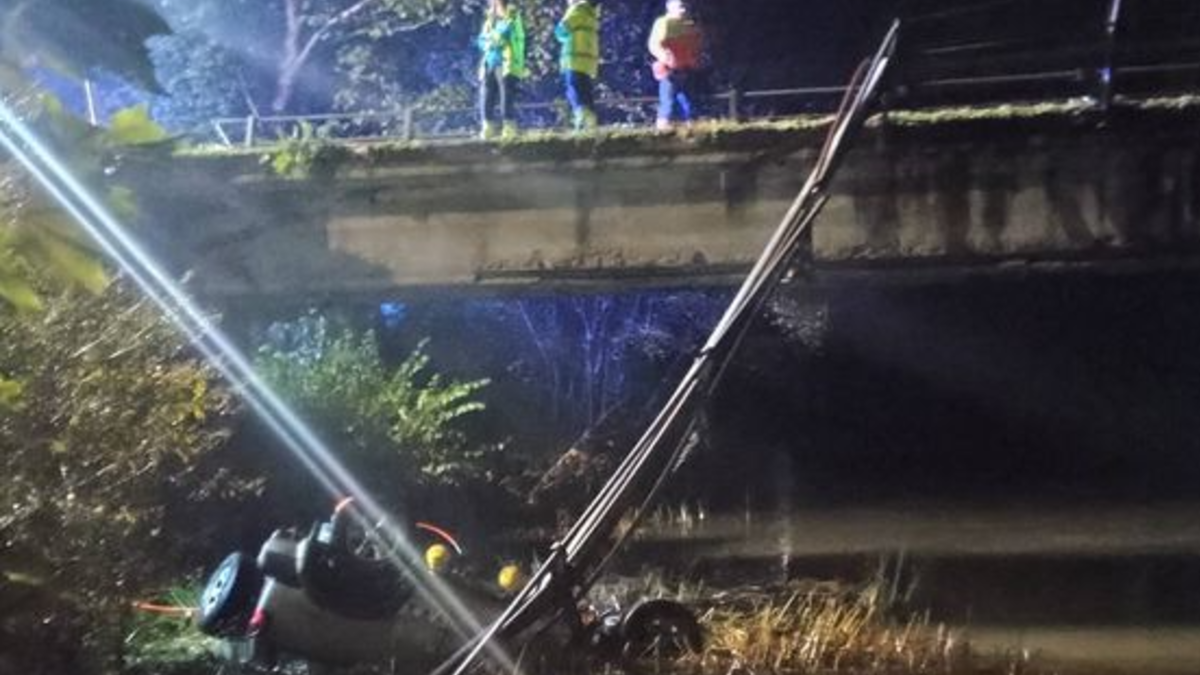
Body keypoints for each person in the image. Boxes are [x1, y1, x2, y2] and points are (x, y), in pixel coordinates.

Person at [648, 0, 703, 130]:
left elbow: (696, 43)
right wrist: (665, 57)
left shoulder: (689, 23)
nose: (683, 10)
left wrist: (695, 58)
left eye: (684, 6)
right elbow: (654, 44)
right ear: (669, 7)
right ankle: (663, 128)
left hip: (685, 68)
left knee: (687, 101)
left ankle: (691, 127)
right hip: (669, 70)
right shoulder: (663, 23)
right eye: (680, 6)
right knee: (668, 101)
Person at [477, 0, 527, 140]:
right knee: (487, 95)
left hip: (506, 62)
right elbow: (481, 40)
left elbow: (503, 34)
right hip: (489, 62)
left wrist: (490, 40)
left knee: (506, 96)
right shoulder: (490, 20)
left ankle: (509, 128)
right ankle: (487, 128)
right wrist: (490, 41)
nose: (491, 4)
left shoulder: (512, 16)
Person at [555, 0, 600, 132]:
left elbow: (561, 29)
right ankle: (590, 120)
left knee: (573, 88)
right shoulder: (591, 13)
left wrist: (561, 33)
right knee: (585, 90)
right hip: (587, 60)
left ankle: (581, 117)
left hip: (573, 58)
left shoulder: (577, 10)